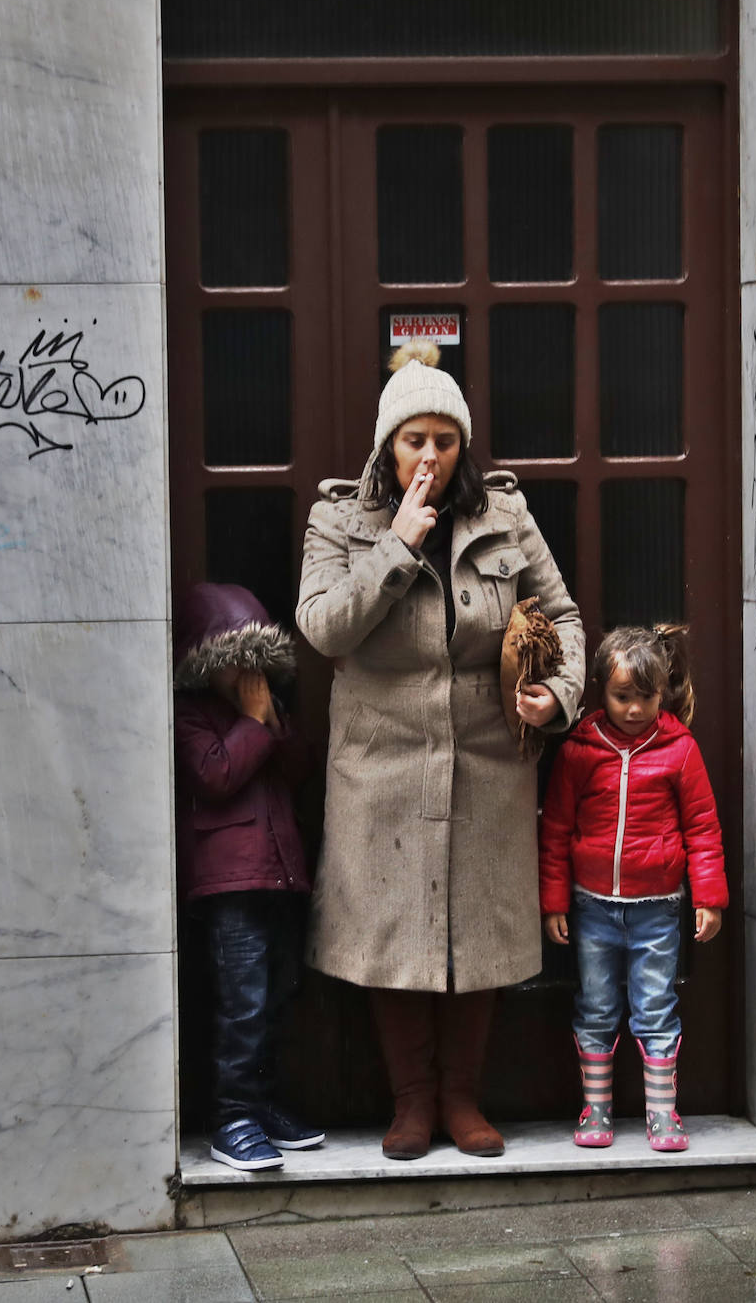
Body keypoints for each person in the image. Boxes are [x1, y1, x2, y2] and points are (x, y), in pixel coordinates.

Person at [297, 340, 585, 1160]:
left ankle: (463, 1100)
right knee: (395, 937)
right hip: (381, 765)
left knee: (478, 939)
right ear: (389, 444)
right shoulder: (340, 520)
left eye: (444, 440)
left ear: (463, 444)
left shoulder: (504, 514)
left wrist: (559, 696)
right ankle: (412, 1104)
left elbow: (562, 617)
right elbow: (324, 629)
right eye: (414, 439)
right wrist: (396, 545)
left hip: (489, 760)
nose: (429, 456)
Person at [539, 624, 728, 1152]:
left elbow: (703, 828)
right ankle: (595, 1111)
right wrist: (554, 901)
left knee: (655, 1008)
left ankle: (662, 1116)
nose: (634, 709)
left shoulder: (680, 749)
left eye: (645, 697)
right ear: (601, 688)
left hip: (659, 909)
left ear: (662, 693)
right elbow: (555, 828)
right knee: (596, 1007)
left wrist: (709, 896)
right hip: (592, 906)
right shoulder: (579, 749)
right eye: (622, 697)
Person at [173, 582, 325, 1171]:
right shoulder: (193, 716)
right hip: (228, 887)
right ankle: (231, 1115)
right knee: (242, 1004)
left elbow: (297, 770)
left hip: (279, 877)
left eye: (253, 661)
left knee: (279, 996)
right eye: (233, 661)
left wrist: (269, 722)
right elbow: (215, 776)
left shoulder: (267, 713)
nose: (245, 672)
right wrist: (252, 723)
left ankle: (262, 1107)